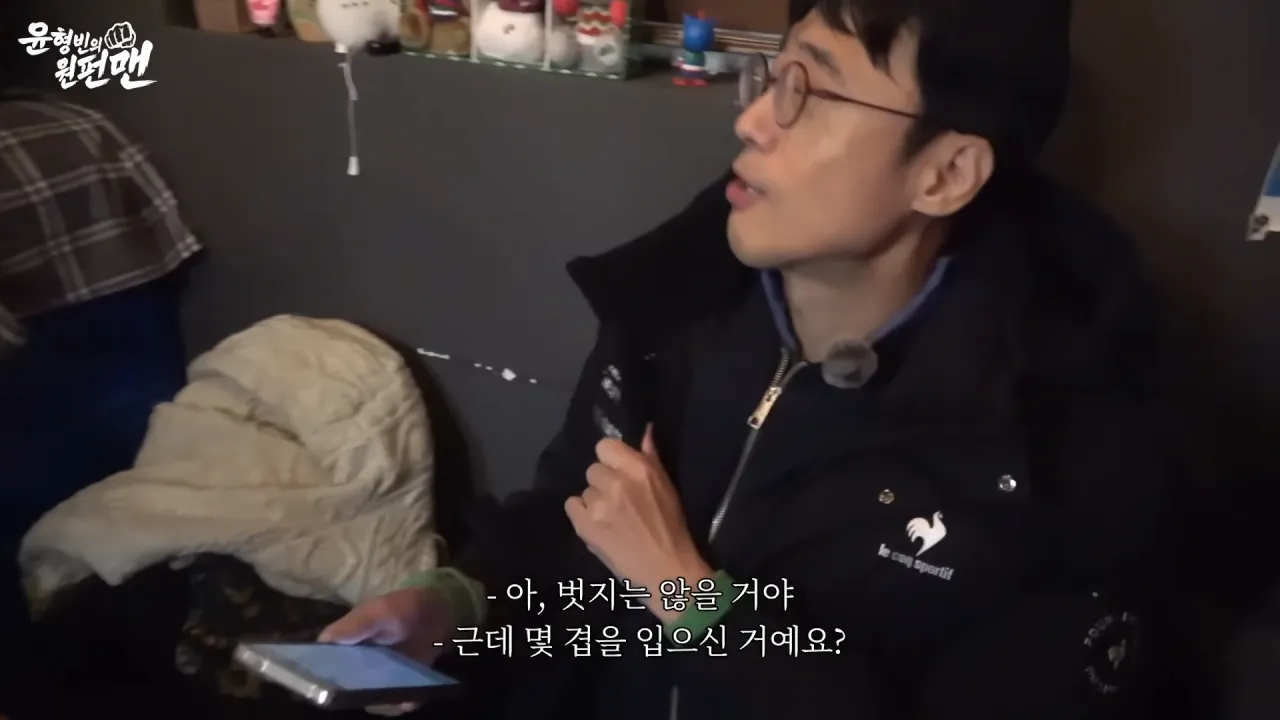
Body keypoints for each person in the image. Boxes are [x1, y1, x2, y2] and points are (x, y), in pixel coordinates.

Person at [322, 0, 1177, 717]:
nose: (753, 120)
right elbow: (572, 533)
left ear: (946, 173)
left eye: (816, 91)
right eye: (777, 76)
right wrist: (456, 605)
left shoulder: (1050, 456)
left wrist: (692, 600)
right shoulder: (672, 309)